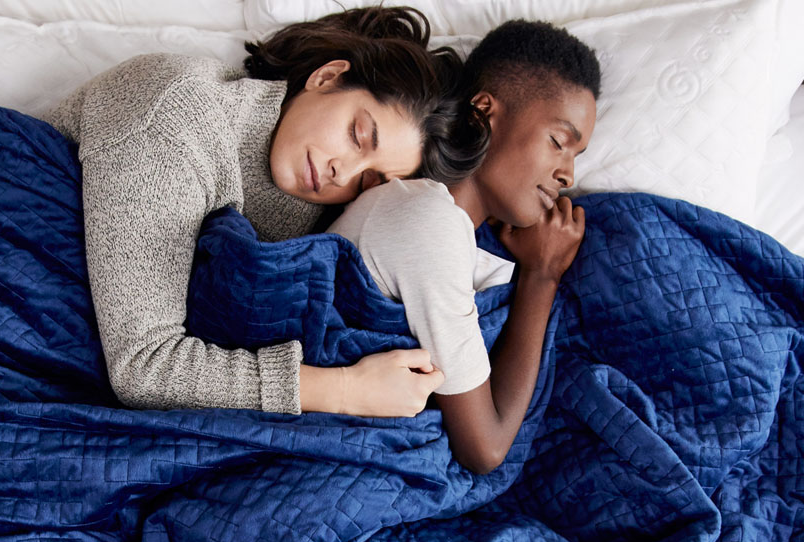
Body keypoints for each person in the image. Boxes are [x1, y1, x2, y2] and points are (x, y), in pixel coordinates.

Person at [43, 7, 469, 417]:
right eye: (358, 135)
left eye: (369, 181)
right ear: (326, 77)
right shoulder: (175, 115)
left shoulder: (315, 209)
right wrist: (343, 389)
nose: (344, 172)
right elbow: (144, 365)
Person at [326, 19, 602, 473]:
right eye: (558, 142)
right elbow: (485, 450)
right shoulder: (429, 223)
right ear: (483, 110)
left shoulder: (449, 228)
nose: (568, 175)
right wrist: (542, 276)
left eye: (576, 157)